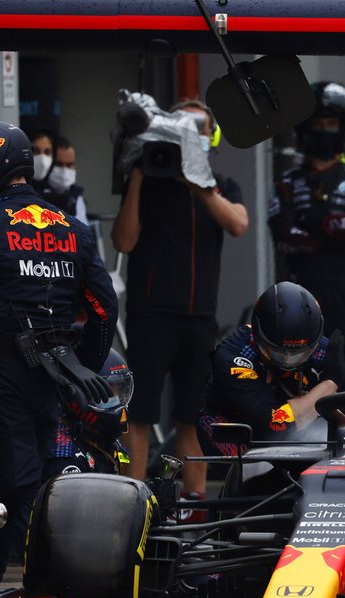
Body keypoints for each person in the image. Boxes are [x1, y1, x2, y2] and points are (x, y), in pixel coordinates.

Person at [0, 119, 118, 598]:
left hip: (3, 374)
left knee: (18, 486)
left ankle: (58, 593)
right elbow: (105, 310)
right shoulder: (74, 228)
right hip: (59, 373)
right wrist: (78, 371)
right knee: (13, 479)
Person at [111, 98, 248, 506]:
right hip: (151, 314)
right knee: (140, 412)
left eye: (200, 129)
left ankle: (195, 502)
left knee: (192, 414)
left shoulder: (220, 185)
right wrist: (137, 179)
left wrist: (200, 185)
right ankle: (131, 501)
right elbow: (123, 241)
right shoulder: (151, 181)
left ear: (211, 136)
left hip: (199, 317)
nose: (192, 135)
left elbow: (239, 223)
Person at [270, 82, 345, 339]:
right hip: (298, 287)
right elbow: (284, 237)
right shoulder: (286, 183)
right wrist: (336, 232)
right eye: (317, 125)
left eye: (330, 125)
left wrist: (317, 223)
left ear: (343, 128)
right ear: (305, 128)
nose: (324, 131)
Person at [198, 282, 339, 457]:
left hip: (298, 425)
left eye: (298, 354)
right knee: (257, 472)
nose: (288, 361)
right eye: (279, 353)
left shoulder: (325, 352)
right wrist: (330, 385)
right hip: (235, 426)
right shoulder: (235, 356)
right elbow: (275, 427)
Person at [45, 347, 133, 477]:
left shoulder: (106, 441)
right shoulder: (65, 457)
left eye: (119, 390)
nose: (116, 398)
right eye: (106, 392)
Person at [32, 136, 88, 225]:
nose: (64, 170)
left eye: (69, 165)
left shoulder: (76, 197)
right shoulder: (32, 194)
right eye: (59, 164)